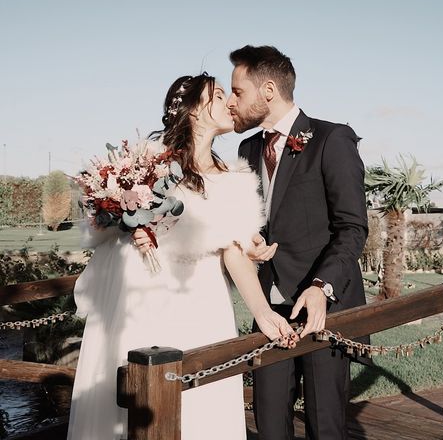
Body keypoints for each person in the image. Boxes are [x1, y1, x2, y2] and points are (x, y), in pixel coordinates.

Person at [67, 72, 297, 440]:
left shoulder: (233, 177)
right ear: (194, 110)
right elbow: (105, 216)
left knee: (202, 405)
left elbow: (234, 253)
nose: (231, 102)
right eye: (219, 95)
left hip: (203, 299)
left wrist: (263, 313)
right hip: (144, 295)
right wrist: (133, 226)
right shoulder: (149, 162)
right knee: (141, 395)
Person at [228, 45, 369, 440]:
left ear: (268, 90)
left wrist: (322, 287)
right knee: (270, 424)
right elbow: (256, 222)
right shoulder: (247, 148)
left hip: (322, 305)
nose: (232, 101)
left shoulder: (332, 139)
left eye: (238, 91)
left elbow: (352, 227)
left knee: (325, 425)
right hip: (269, 309)